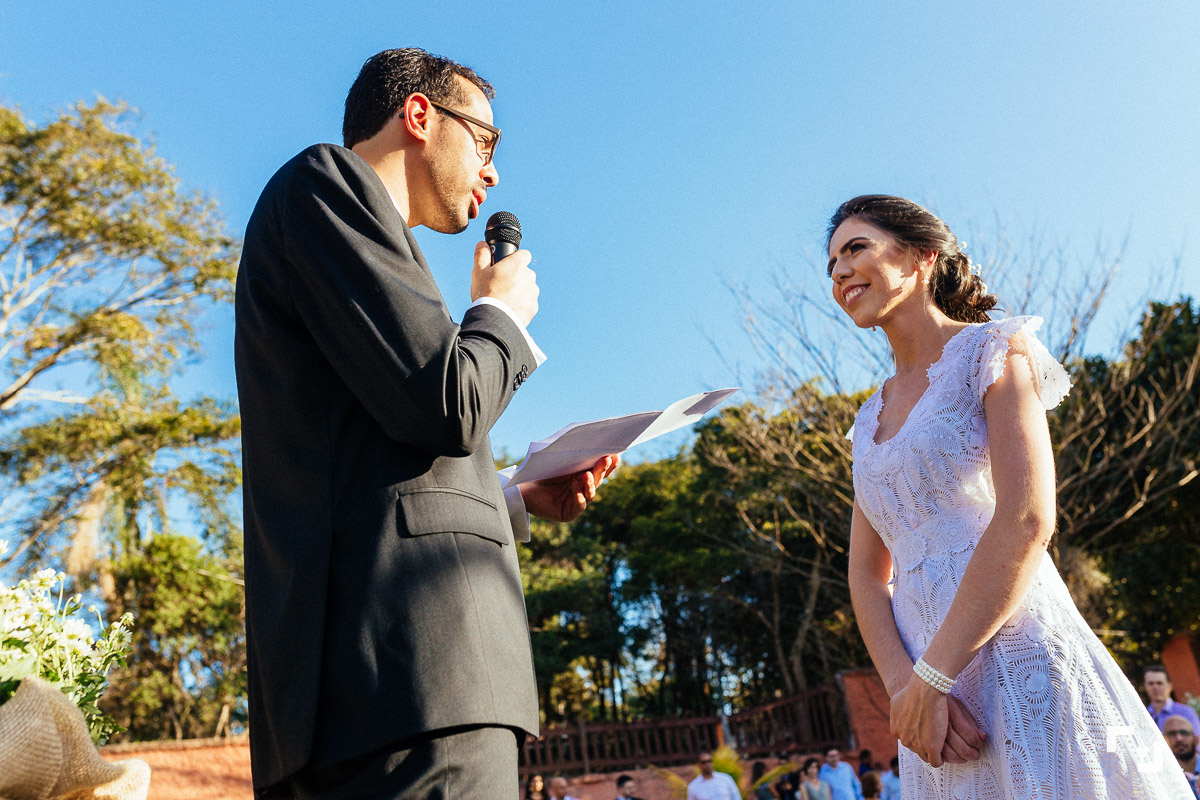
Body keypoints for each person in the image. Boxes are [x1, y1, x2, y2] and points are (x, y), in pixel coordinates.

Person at [237, 47, 618, 798]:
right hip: (406, 688)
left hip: (389, 697)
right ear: (419, 116)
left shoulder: (361, 240)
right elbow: (449, 404)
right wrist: (501, 314)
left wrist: (513, 499)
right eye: (486, 141)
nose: (494, 172)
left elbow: (371, 461)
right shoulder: (327, 183)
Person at [829, 194, 1192, 798]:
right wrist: (907, 694)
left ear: (923, 256)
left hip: (1019, 653)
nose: (839, 270)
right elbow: (866, 576)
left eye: (856, 248)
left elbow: (1026, 518)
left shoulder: (992, 352)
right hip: (928, 707)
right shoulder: (867, 420)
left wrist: (936, 672)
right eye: (832, 261)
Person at [1146, 665, 1200, 737]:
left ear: (1169, 686)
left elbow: (1197, 743)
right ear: (1145, 686)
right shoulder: (1144, 715)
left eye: (1159, 683)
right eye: (1151, 684)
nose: (1155, 687)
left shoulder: (1186, 712)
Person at [1164, 715, 1200, 799]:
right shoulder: (1163, 776)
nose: (1179, 739)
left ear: (1196, 739)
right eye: (1172, 734)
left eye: (1184, 733)